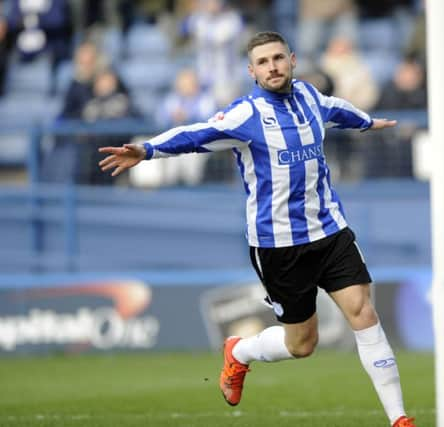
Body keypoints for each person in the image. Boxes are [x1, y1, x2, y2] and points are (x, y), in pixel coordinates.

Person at [97, 31, 415, 427]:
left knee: (363, 312)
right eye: (263, 62)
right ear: (252, 71)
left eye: (278, 58)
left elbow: (337, 110)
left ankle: (399, 419)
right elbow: (194, 134)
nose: (273, 67)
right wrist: (146, 150)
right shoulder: (244, 116)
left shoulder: (311, 98)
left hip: (330, 229)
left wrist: (367, 122)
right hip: (278, 244)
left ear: (292, 60)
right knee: (303, 344)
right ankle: (240, 352)